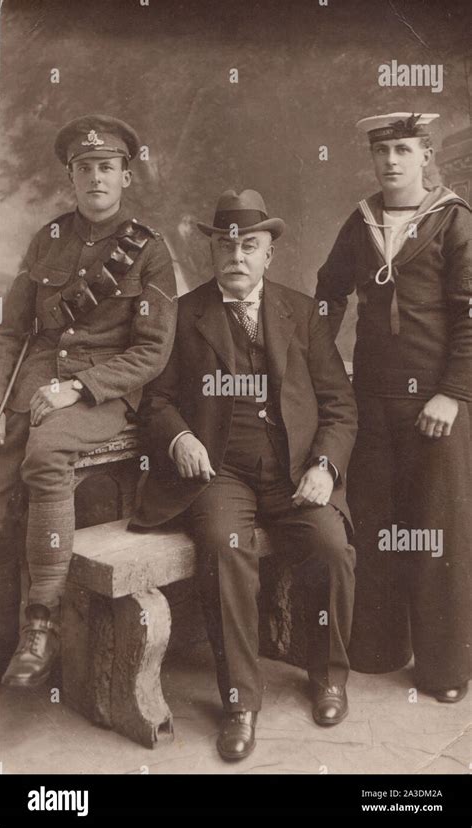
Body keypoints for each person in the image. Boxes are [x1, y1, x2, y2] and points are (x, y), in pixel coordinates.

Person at [129, 189, 357, 761]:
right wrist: (180, 437)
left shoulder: (302, 313)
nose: (236, 255)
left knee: (331, 544)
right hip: (220, 472)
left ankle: (327, 676)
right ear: (212, 252)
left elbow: (339, 405)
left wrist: (325, 467)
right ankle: (240, 702)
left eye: (249, 245)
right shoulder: (183, 315)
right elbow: (155, 402)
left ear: (269, 253)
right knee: (223, 545)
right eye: (226, 245)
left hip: (295, 471)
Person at [0, 114, 177, 687]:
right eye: (84, 169)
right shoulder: (48, 238)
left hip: (105, 390)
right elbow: (12, 332)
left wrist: (78, 387)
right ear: (70, 178)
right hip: (35, 377)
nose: (96, 178)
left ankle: (40, 622)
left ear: (126, 175)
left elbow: (151, 351)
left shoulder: (148, 250)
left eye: (107, 167)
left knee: (45, 454)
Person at [316, 113, 472, 703]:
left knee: (435, 535)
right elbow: (327, 299)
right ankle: (380, 646)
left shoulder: (454, 220)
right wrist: (318, 373)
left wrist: (453, 393)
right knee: (378, 527)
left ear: (426, 154)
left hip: (437, 406)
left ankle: (444, 670)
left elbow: (470, 316)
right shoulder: (360, 224)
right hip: (372, 402)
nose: (391, 162)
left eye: (404, 149)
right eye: (382, 151)